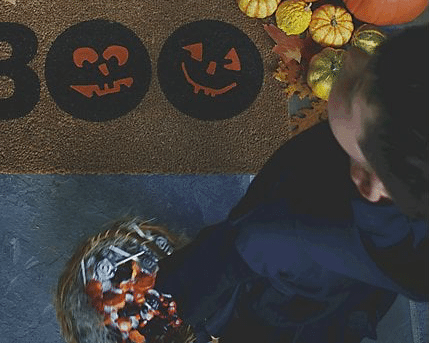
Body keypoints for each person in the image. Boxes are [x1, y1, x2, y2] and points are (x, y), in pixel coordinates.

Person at [155, 24, 429, 342]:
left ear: (368, 181)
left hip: (279, 304)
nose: (352, 59)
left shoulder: (285, 226)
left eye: (355, 86)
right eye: (377, 58)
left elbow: (220, 262)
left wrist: (163, 297)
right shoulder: (408, 183)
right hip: (354, 284)